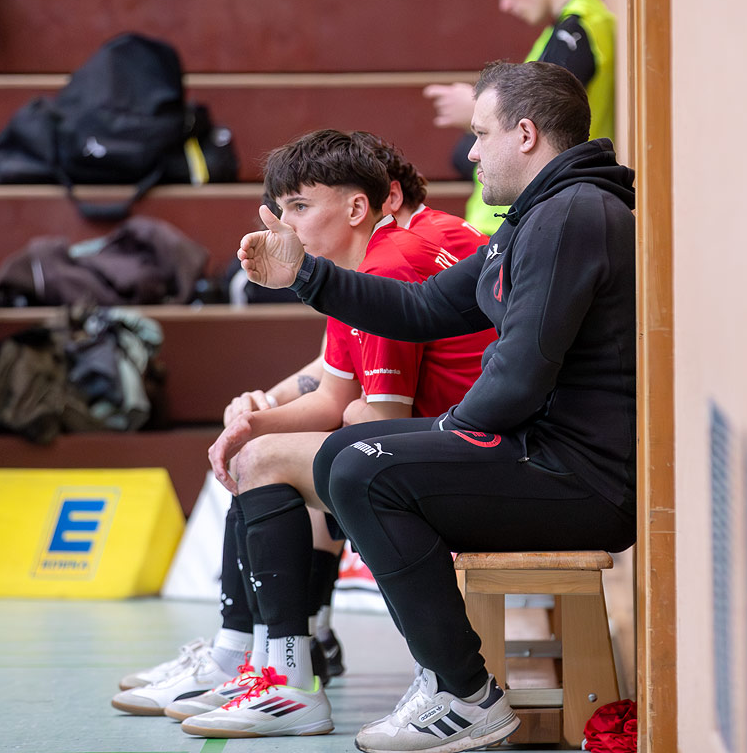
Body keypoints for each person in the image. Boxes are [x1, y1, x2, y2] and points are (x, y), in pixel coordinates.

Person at [237, 61, 637, 753]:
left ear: (525, 134)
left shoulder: (573, 214)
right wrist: (305, 273)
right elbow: (422, 309)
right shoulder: (542, 214)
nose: (471, 152)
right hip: (549, 455)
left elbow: (521, 372)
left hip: (584, 480)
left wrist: (450, 434)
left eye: (480, 134)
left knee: (364, 469)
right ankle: (445, 680)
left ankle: (464, 694)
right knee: (348, 455)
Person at [111, 131, 495, 739]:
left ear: (362, 205)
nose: (285, 225)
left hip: (479, 461)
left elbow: (378, 418)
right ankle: (271, 659)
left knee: (271, 463)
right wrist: (253, 420)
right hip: (465, 446)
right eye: (280, 208)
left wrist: (275, 433)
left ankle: (279, 674)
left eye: (299, 207)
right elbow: (336, 394)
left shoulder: (390, 262)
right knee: (263, 454)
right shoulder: (372, 261)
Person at [424, 0, 615, 235]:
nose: (506, 4)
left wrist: (475, 109)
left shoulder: (579, 28)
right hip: (513, 220)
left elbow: (544, 116)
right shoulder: (564, 31)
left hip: (520, 221)